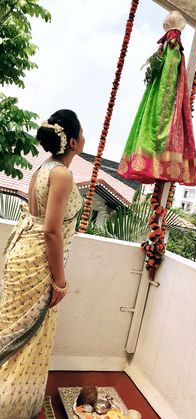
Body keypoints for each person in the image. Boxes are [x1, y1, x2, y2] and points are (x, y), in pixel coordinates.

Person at [0, 109, 85, 418]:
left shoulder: (43, 168)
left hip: (22, 253)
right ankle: (12, 407)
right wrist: (60, 281)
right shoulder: (61, 173)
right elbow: (51, 230)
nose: (85, 139)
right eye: (83, 134)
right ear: (74, 141)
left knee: (14, 336)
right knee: (25, 342)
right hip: (37, 261)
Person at [117, 11, 196, 187]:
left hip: (156, 94)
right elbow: (168, 81)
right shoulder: (173, 45)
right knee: (163, 125)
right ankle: (158, 160)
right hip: (164, 96)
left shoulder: (165, 48)